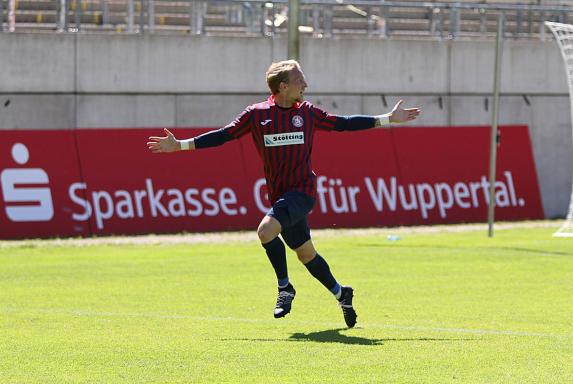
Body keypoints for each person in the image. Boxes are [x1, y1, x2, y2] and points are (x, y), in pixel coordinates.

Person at [147, 60, 420, 328]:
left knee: (265, 231)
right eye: (300, 80)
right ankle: (341, 293)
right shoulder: (256, 114)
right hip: (280, 196)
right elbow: (224, 135)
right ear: (283, 86)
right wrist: (180, 145)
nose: (306, 84)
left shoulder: (308, 112)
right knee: (306, 254)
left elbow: (344, 123)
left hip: (302, 192)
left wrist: (387, 119)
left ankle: (285, 288)